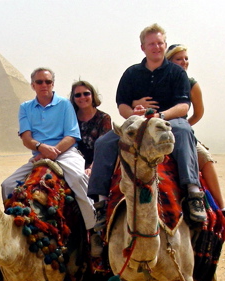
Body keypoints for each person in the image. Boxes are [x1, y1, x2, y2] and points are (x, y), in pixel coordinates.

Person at [88, 23, 206, 232]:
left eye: (160, 43)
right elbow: (122, 104)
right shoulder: (132, 73)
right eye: (152, 44)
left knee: (184, 131)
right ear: (143, 47)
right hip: (138, 121)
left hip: (167, 120)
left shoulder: (177, 73)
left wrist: (159, 115)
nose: (157, 47)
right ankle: (100, 201)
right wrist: (133, 113)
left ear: (165, 45)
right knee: (104, 142)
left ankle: (193, 191)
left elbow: (183, 106)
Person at [1, 68, 95, 231]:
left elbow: (72, 135)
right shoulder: (25, 107)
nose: (44, 85)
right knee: (7, 185)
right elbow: (26, 138)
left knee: (79, 178)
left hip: (66, 153)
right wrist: (41, 148)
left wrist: (53, 151)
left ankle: (94, 226)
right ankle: (11, 227)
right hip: (39, 155)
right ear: (32, 85)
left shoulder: (64, 104)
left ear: (53, 84)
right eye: (39, 82)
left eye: (48, 82)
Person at [165, 44, 225, 231]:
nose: (184, 62)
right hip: (156, 131)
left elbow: (198, 113)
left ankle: (223, 209)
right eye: (178, 59)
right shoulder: (158, 79)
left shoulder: (191, 84)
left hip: (180, 131)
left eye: (186, 58)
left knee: (205, 158)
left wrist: (185, 127)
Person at [69, 80, 112, 173]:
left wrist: (92, 168)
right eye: (78, 95)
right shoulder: (70, 118)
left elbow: (104, 148)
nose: (82, 97)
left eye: (86, 93)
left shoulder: (104, 118)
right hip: (72, 165)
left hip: (98, 164)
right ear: (73, 98)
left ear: (93, 95)